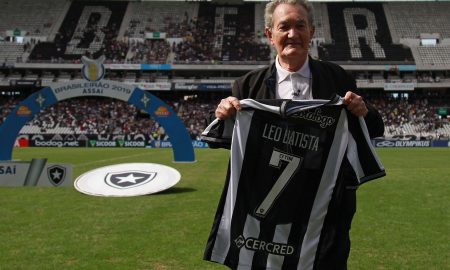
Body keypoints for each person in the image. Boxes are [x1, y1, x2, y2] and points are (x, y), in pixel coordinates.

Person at [203, 0, 384, 269]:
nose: (292, 34)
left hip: (325, 218)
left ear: (311, 31)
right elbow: (219, 139)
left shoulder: (337, 77)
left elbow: (374, 128)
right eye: (284, 26)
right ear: (269, 34)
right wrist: (221, 114)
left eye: (300, 25)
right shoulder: (247, 85)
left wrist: (363, 110)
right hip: (263, 217)